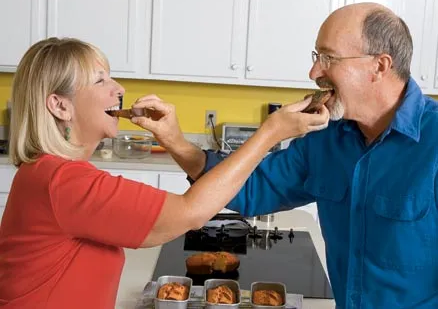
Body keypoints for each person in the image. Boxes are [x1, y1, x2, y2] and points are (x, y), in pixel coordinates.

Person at [142, 2, 438, 309]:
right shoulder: (325, 138)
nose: (314, 72)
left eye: (328, 58)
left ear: (379, 66)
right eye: (316, 57)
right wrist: (176, 143)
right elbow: (251, 190)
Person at [0, 37, 329, 308]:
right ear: (60, 106)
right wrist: (270, 132)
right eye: (100, 80)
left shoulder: (47, 173)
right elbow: (191, 213)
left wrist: (173, 139)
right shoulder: (63, 182)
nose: (118, 89)